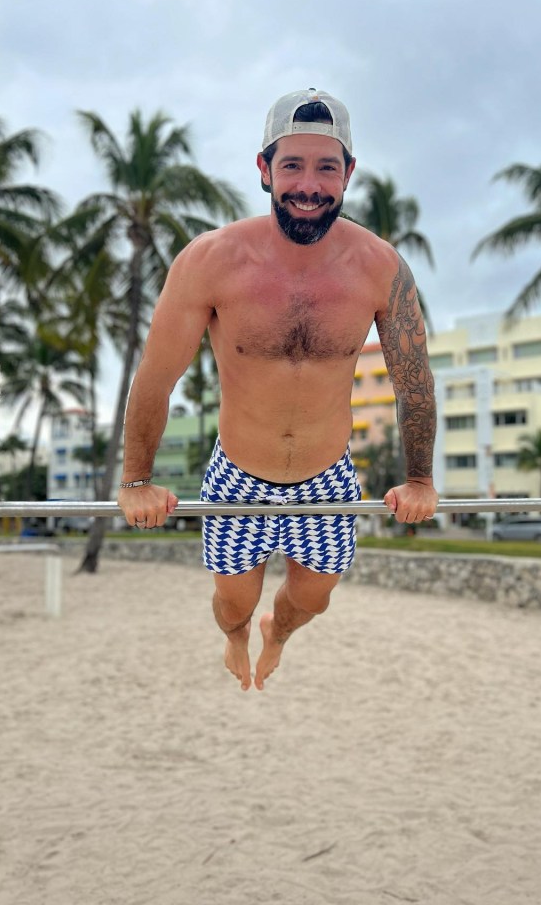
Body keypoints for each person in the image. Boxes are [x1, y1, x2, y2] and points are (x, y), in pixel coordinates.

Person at [117, 88, 438, 691]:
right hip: (239, 472)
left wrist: (419, 478)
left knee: (312, 601)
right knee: (232, 603)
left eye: (326, 167)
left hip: (328, 475)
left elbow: (413, 384)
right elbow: (156, 379)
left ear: (348, 174)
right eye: (292, 165)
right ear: (264, 170)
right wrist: (136, 480)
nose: (309, 185)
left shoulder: (380, 267)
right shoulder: (210, 261)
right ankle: (237, 633)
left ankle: (279, 633)